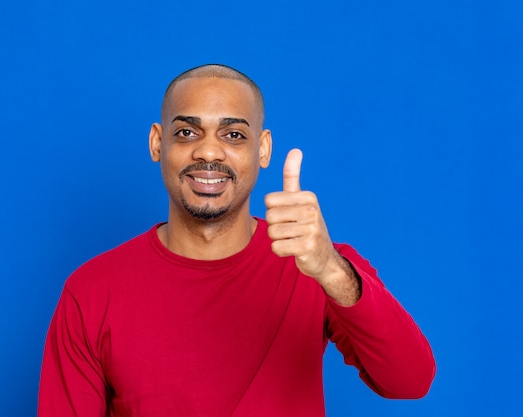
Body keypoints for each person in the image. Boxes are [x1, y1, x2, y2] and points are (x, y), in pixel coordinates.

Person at [38, 64, 436, 417]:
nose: (209, 150)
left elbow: (410, 381)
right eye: (187, 131)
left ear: (262, 149)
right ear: (158, 143)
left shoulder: (315, 264)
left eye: (232, 134)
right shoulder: (91, 291)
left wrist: (331, 270)